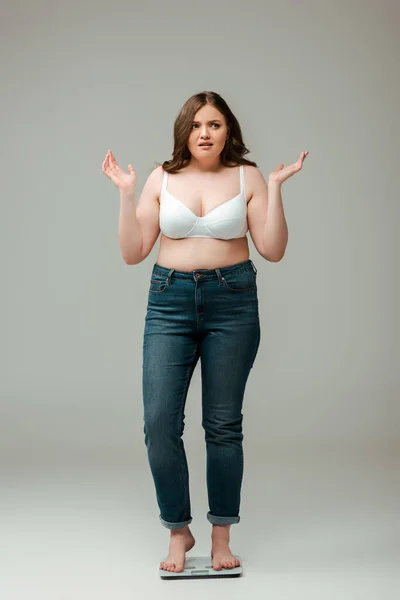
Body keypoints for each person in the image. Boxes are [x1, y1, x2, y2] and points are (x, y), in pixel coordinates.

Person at [102, 91, 308, 573]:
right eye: (196, 125)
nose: (205, 133)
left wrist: (275, 188)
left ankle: (220, 537)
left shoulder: (247, 177)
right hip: (169, 303)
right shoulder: (161, 178)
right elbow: (133, 253)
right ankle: (178, 530)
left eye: (214, 124)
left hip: (231, 303)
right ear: (184, 132)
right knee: (158, 425)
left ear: (228, 130)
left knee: (222, 425)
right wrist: (126, 194)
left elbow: (272, 250)